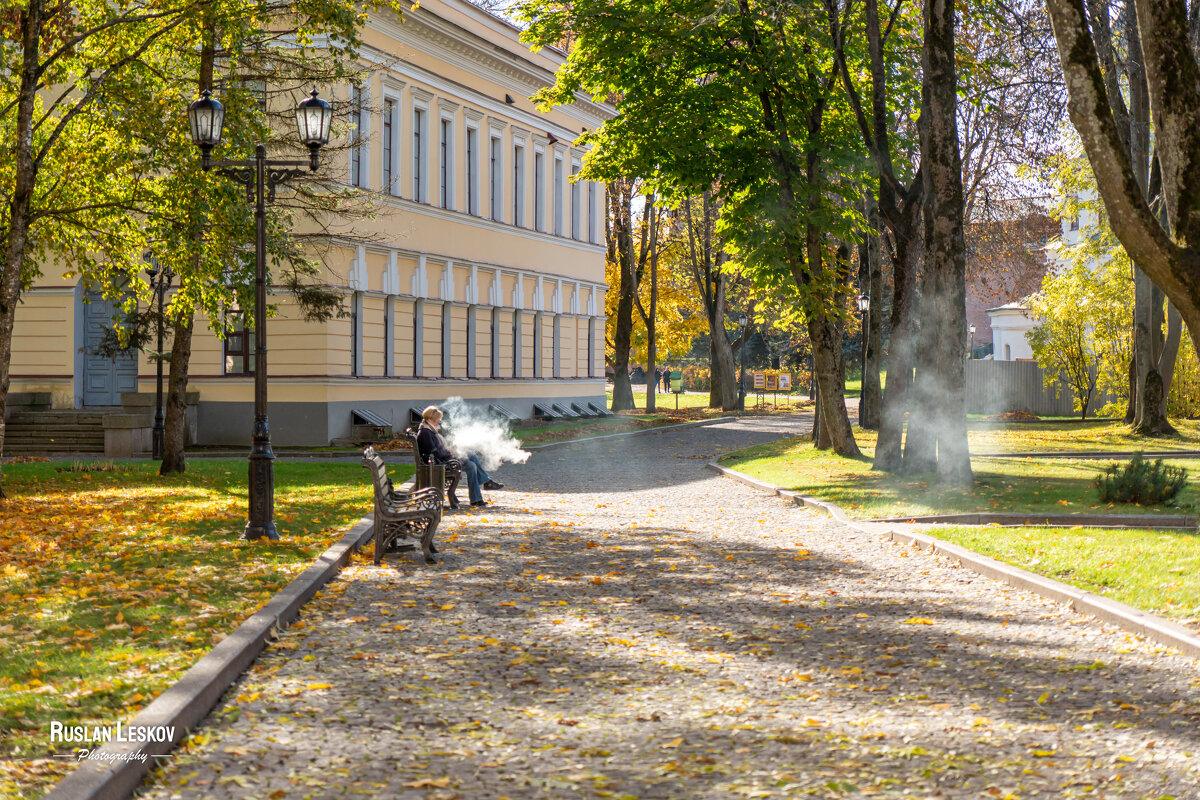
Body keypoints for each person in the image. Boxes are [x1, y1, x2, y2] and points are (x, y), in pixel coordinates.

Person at [415, 405, 502, 509]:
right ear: (430, 419)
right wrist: (450, 452)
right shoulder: (425, 433)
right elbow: (435, 453)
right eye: (437, 419)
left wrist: (450, 450)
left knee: (471, 465)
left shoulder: (429, 430)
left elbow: (437, 450)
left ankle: (477, 499)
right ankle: (485, 484)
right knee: (471, 455)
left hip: (440, 461)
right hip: (438, 464)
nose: (439, 421)